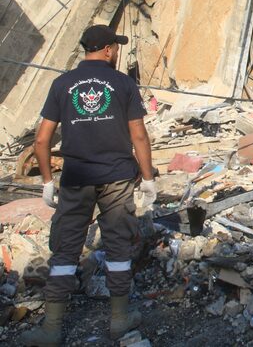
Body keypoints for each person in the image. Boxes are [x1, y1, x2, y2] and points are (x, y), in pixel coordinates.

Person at [21, 25, 157, 346]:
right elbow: (138, 136)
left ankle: (51, 329)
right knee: (118, 247)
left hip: (76, 178)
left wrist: (47, 182)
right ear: (108, 50)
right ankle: (119, 320)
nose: (117, 52)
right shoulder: (123, 83)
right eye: (116, 47)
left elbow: (41, 140)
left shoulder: (62, 84)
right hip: (117, 177)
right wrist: (149, 178)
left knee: (65, 249)